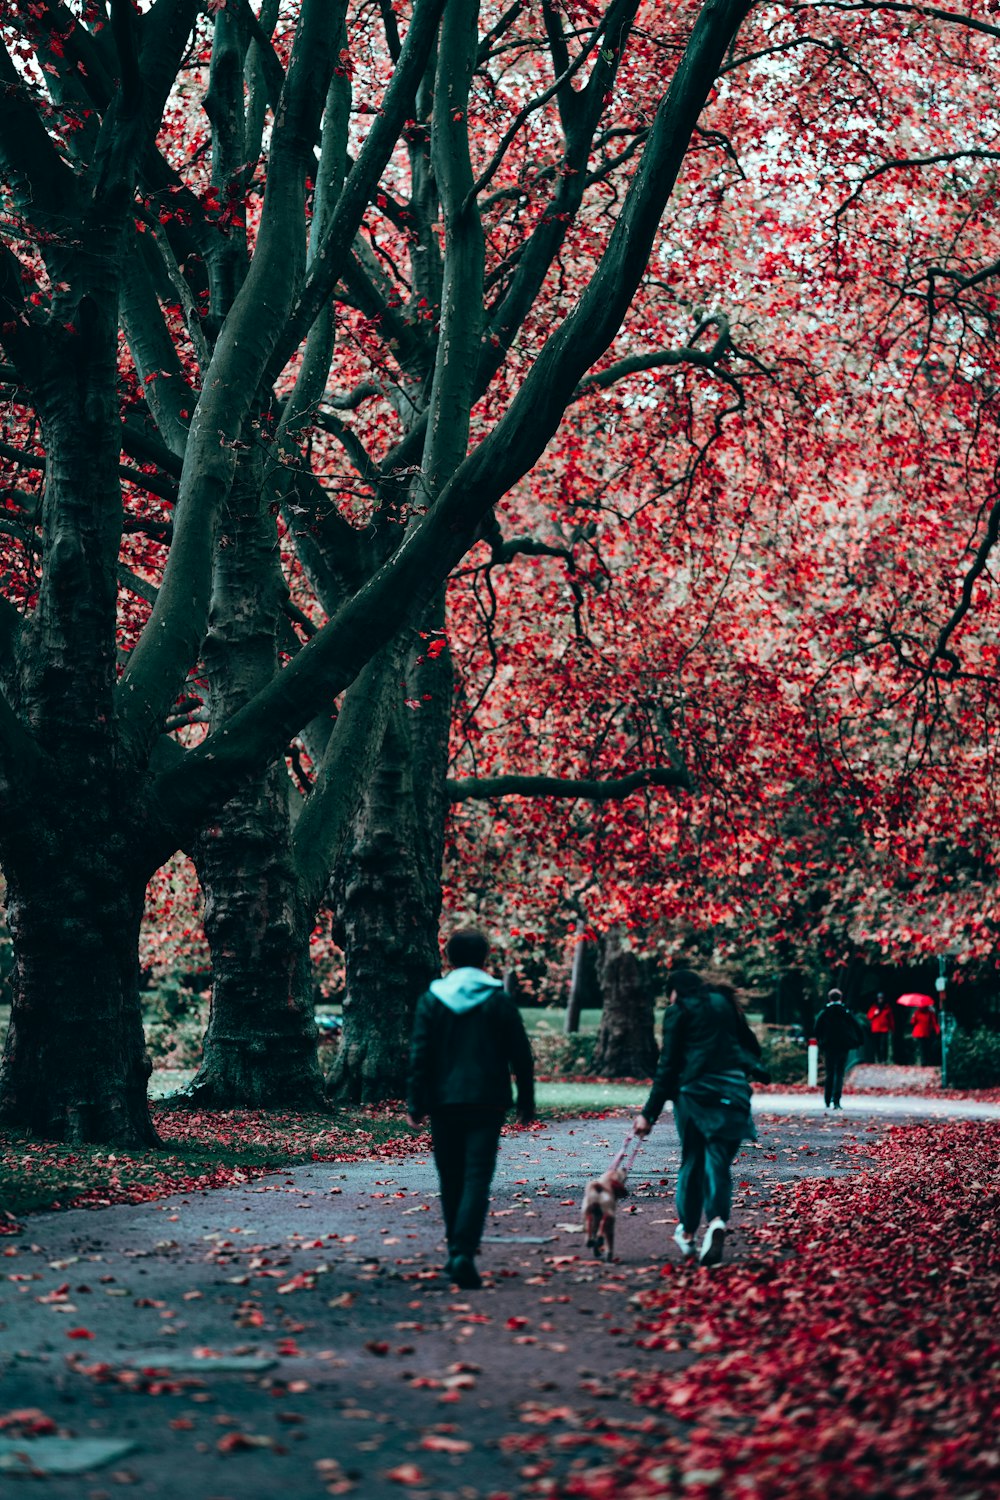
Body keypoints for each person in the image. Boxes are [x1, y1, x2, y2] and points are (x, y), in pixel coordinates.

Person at [406, 926, 535, 1291]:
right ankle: (463, 1251)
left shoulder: (432, 999)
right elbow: (520, 1054)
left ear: (447, 958)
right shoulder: (498, 999)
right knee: (477, 1177)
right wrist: (526, 1101)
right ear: (485, 959)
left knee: (450, 1177)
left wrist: (416, 1101)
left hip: (443, 1100)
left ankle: (455, 1249)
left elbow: (420, 1054)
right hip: (487, 1100)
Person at [633, 970, 767, 1267]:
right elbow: (751, 1047)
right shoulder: (724, 1003)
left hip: (694, 1095)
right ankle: (717, 1221)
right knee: (718, 1162)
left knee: (692, 1160)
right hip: (733, 1092)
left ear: (675, 991)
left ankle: (689, 1231)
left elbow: (667, 1066)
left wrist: (648, 1114)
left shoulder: (677, 1011)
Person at [814, 988, 863, 1108]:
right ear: (840, 998)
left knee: (829, 1072)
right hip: (843, 1045)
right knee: (840, 1073)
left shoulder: (825, 1012)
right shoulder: (845, 1011)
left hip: (829, 1046)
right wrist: (858, 1041)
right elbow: (857, 1026)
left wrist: (821, 1041)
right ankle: (836, 1100)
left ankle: (827, 1099)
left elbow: (816, 1028)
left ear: (829, 998)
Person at [866, 992, 894, 1064]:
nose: (880, 999)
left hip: (884, 1028)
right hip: (876, 1029)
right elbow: (869, 1016)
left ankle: (884, 1059)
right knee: (877, 1044)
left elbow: (891, 1019)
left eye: (881, 998)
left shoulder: (887, 1007)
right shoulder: (873, 1007)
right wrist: (874, 1013)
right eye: (879, 998)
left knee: (884, 1044)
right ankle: (879, 1059)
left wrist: (892, 1028)